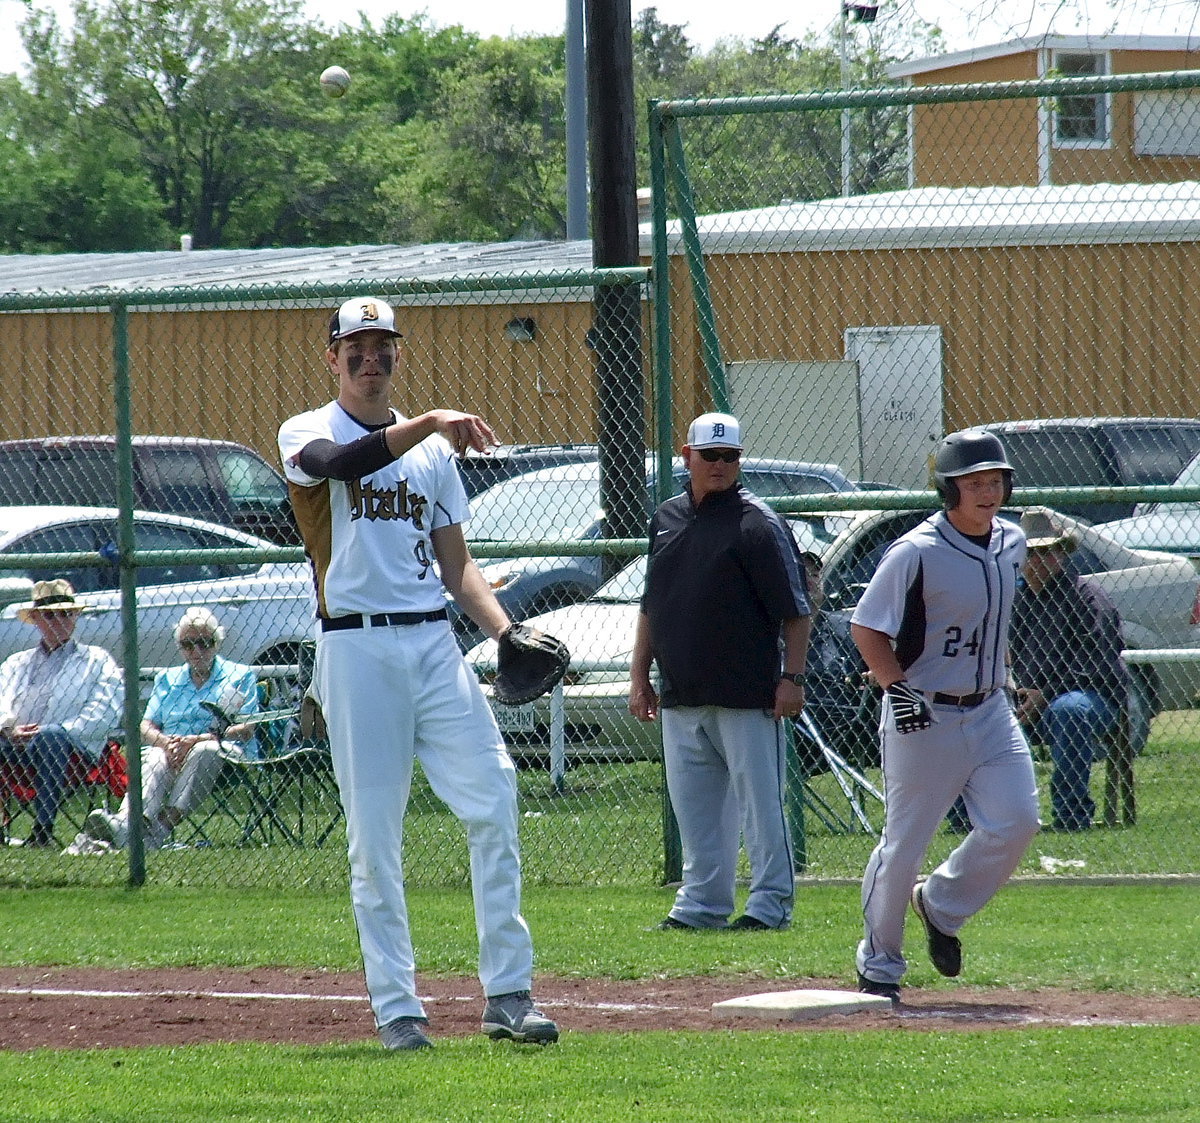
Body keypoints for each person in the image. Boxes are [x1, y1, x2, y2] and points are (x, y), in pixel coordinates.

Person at [276, 295, 558, 1052]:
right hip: (356, 647)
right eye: (356, 348)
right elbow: (338, 466)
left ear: (398, 353)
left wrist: (505, 632)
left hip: (433, 642)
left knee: (495, 796)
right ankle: (399, 1007)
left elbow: (456, 564)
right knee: (376, 837)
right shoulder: (307, 430)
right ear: (330, 357)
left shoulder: (432, 456)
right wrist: (431, 419)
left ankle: (508, 993)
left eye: (383, 347)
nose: (371, 360)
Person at [849, 429, 1040, 1004]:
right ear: (948, 489)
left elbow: (990, 623)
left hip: (990, 712)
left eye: (994, 481)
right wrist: (895, 687)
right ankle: (879, 965)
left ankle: (939, 904)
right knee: (903, 845)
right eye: (973, 483)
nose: (987, 492)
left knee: (1017, 820)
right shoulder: (915, 551)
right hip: (924, 714)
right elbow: (867, 627)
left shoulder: (1012, 541)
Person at [630, 412, 811, 932]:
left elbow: (797, 611)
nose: (720, 465)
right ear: (686, 456)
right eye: (710, 456)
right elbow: (651, 604)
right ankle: (702, 906)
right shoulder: (666, 516)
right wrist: (639, 675)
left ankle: (769, 904)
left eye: (729, 456)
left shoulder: (758, 523)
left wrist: (791, 679)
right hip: (681, 693)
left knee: (760, 811)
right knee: (696, 814)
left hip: (747, 693)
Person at [84, 607, 260, 851]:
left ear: (217, 643)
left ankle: (157, 832)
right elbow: (145, 726)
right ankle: (128, 825)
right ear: (180, 648)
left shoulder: (239, 675)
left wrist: (195, 740)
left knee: (204, 750)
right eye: (188, 645)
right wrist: (166, 743)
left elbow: (246, 728)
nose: (197, 651)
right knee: (155, 755)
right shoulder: (167, 679)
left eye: (204, 643)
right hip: (173, 751)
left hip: (224, 753)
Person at [1010, 509, 1130, 832]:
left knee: (1069, 710)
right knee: (976, 714)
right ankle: (980, 820)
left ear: (1063, 553)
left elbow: (1096, 664)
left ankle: (1071, 816)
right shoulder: (1015, 602)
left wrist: (1044, 696)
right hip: (1029, 704)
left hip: (1093, 701)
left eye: (1048, 552)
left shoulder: (1087, 598)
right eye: (1031, 553)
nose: (1039, 560)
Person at [0, 579, 123, 848]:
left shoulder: (97, 660)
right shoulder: (15, 663)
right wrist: (8, 728)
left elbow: (105, 712)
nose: (59, 620)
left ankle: (42, 831)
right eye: (50, 615)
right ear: (35, 619)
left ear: (76, 616)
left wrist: (55, 731)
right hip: (15, 743)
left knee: (52, 737)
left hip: (73, 751)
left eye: (66, 613)